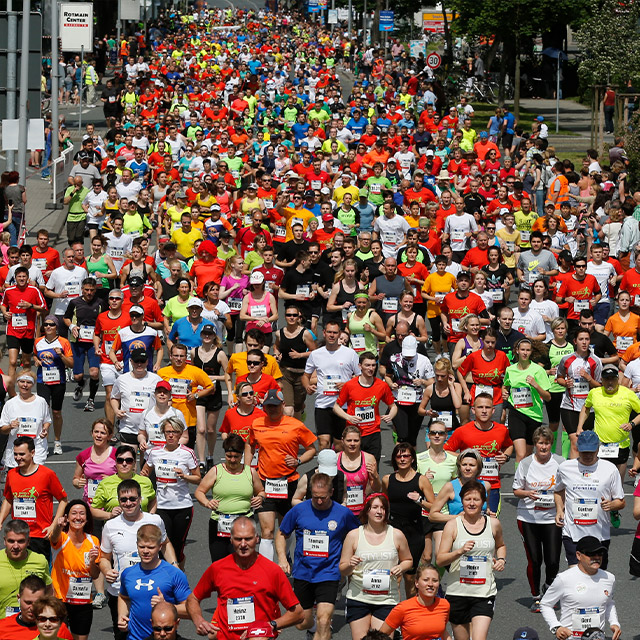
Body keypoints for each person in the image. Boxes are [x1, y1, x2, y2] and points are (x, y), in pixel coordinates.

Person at [186, 517, 303, 640]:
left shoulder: (272, 571)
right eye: (238, 539)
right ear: (231, 539)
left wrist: (271, 625)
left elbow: (298, 613)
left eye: (248, 539)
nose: (243, 544)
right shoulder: (217, 568)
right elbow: (193, 598)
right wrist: (198, 620)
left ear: (257, 539)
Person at [277, 473, 359, 640]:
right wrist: (282, 559)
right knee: (302, 622)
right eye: (315, 497)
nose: (319, 501)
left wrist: (350, 558)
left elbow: (358, 535)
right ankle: (311, 626)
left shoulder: (343, 513)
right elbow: (281, 534)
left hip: (329, 573)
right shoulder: (299, 510)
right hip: (303, 573)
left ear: (331, 492)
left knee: (324, 620)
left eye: (323, 497)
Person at [99, 479, 176, 640]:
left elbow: (165, 544)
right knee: (122, 634)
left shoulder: (154, 520)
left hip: (152, 590)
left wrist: (174, 566)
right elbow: (104, 557)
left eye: (132, 499)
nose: (128, 503)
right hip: (121, 592)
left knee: (158, 633)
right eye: (124, 500)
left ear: (140, 499)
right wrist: (107, 571)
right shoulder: (110, 526)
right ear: (119, 501)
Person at [246, 389, 317, 562]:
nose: (271, 409)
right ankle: (266, 570)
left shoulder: (295, 425)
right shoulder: (257, 424)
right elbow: (250, 445)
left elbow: (312, 449)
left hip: (289, 482)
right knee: (267, 531)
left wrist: (298, 461)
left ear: (283, 405)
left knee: (286, 529)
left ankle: (284, 554)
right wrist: (247, 468)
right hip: (264, 482)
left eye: (275, 406)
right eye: (268, 406)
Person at [436, 480, 506, 640]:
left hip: (484, 592)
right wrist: (459, 551)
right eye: (468, 499)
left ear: (483, 502)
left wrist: (501, 559)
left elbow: (501, 545)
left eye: (476, 499)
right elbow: (440, 560)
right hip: (457, 592)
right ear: (462, 501)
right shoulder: (452, 525)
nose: (472, 503)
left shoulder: (493, 524)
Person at [339, 493, 414, 640]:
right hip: (359, 596)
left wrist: (401, 567)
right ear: (367, 510)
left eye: (383, 508)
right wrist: (350, 564)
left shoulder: (396, 534)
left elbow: (409, 560)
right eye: (375, 507)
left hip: (387, 599)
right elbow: (342, 568)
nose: (379, 511)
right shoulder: (354, 535)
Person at [554, 431, 625, 570]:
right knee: (575, 573)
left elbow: (621, 502)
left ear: (598, 449)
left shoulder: (609, 469)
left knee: (597, 573)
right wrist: (559, 510)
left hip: (599, 534)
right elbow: (558, 490)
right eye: (584, 451)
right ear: (577, 448)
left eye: (591, 451)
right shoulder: (565, 468)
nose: (587, 455)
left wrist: (611, 505)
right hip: (572, 532)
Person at [512, 426, 564, 613]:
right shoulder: (525, 463)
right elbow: (516, 490)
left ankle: (549, 589)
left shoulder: (560, 462)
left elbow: (566, 488)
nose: (543, 447)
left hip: (552, 518)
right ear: (535, 444)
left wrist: (561, 508)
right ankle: (536, 597)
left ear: (551, 444)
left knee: (552, 560)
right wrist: (527, 493)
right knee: (534, 559)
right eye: (540, 443)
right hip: (528, 518)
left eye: (547, 443)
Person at [194, 433, 265, 562]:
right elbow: (199, 491)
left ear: (242, 455)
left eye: (236, 457)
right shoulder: (216, 471)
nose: (232, 460)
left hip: (244, 523)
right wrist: (206, 502)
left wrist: (260, 497)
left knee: (242, 562)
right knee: (219, 563)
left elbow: (261, 491)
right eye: (229, 456)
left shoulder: (250, 472)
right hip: (220, 522)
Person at [141, 417, 200, 568]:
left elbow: (198, 478)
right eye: (168, 432)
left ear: (180, 434)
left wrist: (184, 476)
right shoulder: (155, 452)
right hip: (161, 507)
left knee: (178, 547)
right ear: (163, 433)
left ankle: (180, 574)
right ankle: (166, 579)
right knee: (161, 545)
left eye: (175, 432)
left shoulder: (187, 453)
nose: (171, 435)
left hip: (182, 506)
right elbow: (144, 472)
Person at [117, 524, 191, 640]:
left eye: (151, 547)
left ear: (160, 546)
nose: (145, 551)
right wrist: (122, 615)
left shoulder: (174, 574)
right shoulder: (128, 573)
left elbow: (190, 610)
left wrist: (167, 605)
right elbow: (123, 597)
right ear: (137, 545)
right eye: (142, 547)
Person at [0, 436, 67, 562]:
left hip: (40, 535)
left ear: (32, 453)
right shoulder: (11, 474)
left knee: (39, 577)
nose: (18, 458)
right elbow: (8, 499)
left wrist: (53, 525)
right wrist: (0, 520)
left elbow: (63, 500)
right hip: (18, 534)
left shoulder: (47, 475)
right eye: (15, 454)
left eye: (21, 454)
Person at [540, 535, 621, 640]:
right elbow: (546, 604)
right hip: (570, 638)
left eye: (600, 553)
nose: (596, 557)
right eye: (591, 554)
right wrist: (556, 627)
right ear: (578, 555)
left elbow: (609, 603)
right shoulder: (564, 578)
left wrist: (614, 623)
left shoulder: (609, 578)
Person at [382, 443, 435, 597]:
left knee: (410, 576)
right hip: (393, 531)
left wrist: (419, 500)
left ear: (412, 459)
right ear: (394, 459)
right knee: (394, 574)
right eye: (399, 456)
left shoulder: (421, 480)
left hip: (414, 531)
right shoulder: (388, 479)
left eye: (406, 456)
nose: (402, 459)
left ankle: (409, 610)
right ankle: (392, 609)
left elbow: (433, 506)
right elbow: (383, 502)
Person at [577, 364, 640, 487]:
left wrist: (632, 424)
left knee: (617, 486)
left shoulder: (628, 394)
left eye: (613, 379)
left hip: (620, 445)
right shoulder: (595, 393)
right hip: (600, 446)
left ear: (618, 379)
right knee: (598, 484)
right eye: (607, 379)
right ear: (601, 380)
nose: (610, 382)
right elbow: (586, 406)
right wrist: (580, 426)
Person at [303, 320, 360, 451]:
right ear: (324, 333)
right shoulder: (316, 354)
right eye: (329, 332)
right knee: (323, 442)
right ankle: (324, 470)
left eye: (335, 332)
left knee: (339, 444)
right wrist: (307, 387)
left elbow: (360, 377)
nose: (332, 335)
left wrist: (346, 384)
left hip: (343, 405)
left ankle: (339, 471)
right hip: (322, 404)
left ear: (339, 334)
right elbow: (305, 376)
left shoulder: (350, 353)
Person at [49, 500, 101, 640]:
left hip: (83, 601)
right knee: (59, 638)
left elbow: (95, 575)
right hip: (60, 601)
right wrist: (58, 526)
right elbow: (53, 537)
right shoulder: (62, 538)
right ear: (66, 517)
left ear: (87, 518)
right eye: (74, 513)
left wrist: (91, 561)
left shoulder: (93, 541)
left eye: (82, 514)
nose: (78, 517)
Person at [333, 351, 397, 462]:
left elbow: (393, 406)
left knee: (373, 467)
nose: (370, 368)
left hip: (373, 432)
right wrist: (348, 417)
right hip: (354, 434)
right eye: (367, 365)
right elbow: (336, 407)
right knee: (353, 465)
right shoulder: (349, 385)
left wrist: (390, 415)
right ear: (360, 366)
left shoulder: (382, 386)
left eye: (373, 365)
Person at [555, 329, 603, 458]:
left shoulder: (596, 361)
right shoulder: (566, 359)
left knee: (585, 442)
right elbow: (559, 377)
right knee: (575, 441)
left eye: (587, 339)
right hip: (569, 406)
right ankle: (573, 474)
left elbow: (600, 386)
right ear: (575, 342)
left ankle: (586, 470)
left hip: (589, 408)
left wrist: (588, 378)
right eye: (581, 339)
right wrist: (565, 383)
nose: (584, 342)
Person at [502, 337, 552, 462]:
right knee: (521, 453)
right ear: (517, 351)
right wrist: (504, 392)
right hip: (516, 412)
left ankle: (527, 480)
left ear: (531, 352)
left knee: (528, 455)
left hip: (534, 415)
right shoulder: (510, 369)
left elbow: (548, 397)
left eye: (528, 350)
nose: (525, 353)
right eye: (522, 350)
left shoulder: (538, 370)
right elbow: (505, 385)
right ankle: (517, 481)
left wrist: (536, 385)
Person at [158, 343, 215, 450]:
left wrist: (196, 395)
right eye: (176, 356)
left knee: (186, 454)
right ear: (170, 356)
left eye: (181, 356)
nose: (178, 359)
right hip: (167, 419)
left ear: (186, 357)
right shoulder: (162, 373)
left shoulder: (195, 371)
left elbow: (211, 387)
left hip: (188, 420)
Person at [385, 335, 435, 447]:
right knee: (403, 436)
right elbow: (387, 376)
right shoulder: (394, 359)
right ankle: (399, 459)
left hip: (417, 401)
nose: (408, 357)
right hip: (398, 400)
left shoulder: (424, 360)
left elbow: (432, 382)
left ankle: (412, 461)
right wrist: (391, 384)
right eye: (406, 355)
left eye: (411, 355)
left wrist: (422, 381)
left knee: (412, 437)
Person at [0, 266, 47, 385]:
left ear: (28, 278)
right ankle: (11, 391)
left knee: (26, 362)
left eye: (24, 277)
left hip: (28, 330)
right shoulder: (9, 291)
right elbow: (3, 304)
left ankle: (26, 385)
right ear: (15, 278)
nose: (21, 279)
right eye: (19, 277)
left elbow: (43, 307)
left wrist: (30, 305)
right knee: (12, 361)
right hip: (12, 330)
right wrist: (5, 313)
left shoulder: (34, 290)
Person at [34, 316, 73, 455]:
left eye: (51, 324)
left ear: (56, 327)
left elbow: (71, 363)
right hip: (42, 380)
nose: (48, 327)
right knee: (43, 412)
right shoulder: (38, 341)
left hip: (58, 381)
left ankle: (57, 441)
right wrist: (36, 360)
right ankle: (43, 443)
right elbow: (35, 355)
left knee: (56, 413)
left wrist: (61, 355)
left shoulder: (64, 342)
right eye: (46, 324)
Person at [379, 564, 451, 640]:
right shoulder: (403, 608)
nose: (430, 584)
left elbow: (443, 632)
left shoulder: (444, 604)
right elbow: (380, 635)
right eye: (426, 580)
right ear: (417, 583)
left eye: (435, 580)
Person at [111, 348, 162, 450]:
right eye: (136, 361)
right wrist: (116, 410)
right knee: (128, 462)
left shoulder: (156, 379)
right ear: (131, 362)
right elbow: (114, 398)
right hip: (128, 428)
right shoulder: (121, 380)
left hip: (150, 428)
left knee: (147, 464)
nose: (139, 364)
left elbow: (167, 400)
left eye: (142, 361)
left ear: (147, 362)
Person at [0, 521, 52, 619]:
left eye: (20, 541)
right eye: (11, 541)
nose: (15, 546)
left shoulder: (40, 561)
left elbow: (49, 589)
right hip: (3, 627)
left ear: (28, 541)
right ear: (4, 541)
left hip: (33, 626)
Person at [90, 445, 156, 520]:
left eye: (129, 460)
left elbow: (153, 500)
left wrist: (150, 517)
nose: (124, 464)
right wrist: (110, 515)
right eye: (120, 460)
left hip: (141, 528)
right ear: (115, 463)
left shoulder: (145, 481)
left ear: (134, 463)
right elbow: (93, 510)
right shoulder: (105, 483)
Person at [0, 575, 72, 638]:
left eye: (37, 603)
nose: (32, 608)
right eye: (28, 603)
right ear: (19, 598)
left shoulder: (58, 629)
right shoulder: (3, 627)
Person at [337, 426, 382, 515]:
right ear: (343, 441)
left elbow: (376, 488)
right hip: (340, 509)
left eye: (356, 440)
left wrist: (376, 476)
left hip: (361, 510)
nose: (352, 444)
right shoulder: (335, 458)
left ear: (360, 441)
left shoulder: (369, 458)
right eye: (349, 440)